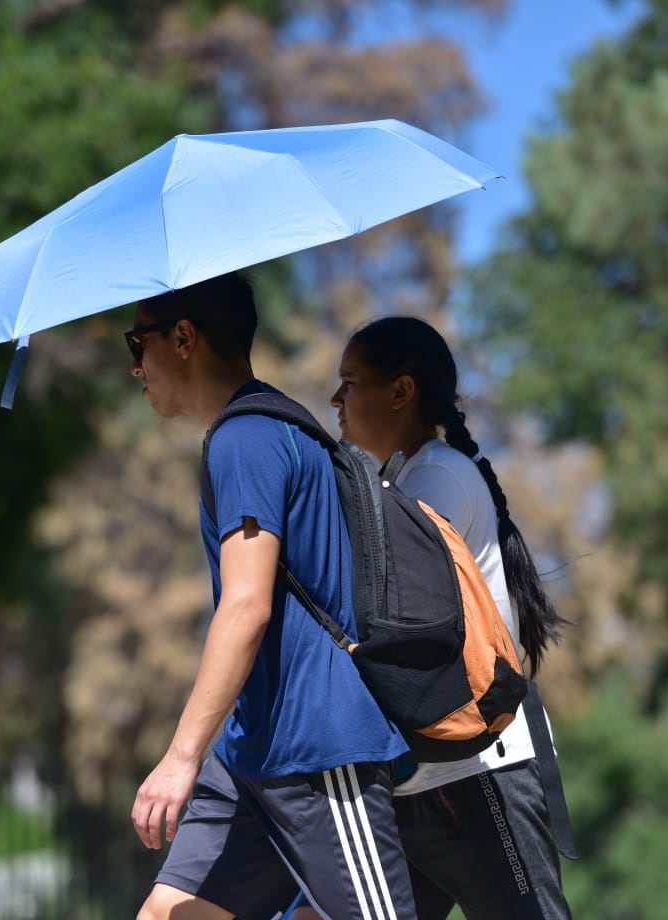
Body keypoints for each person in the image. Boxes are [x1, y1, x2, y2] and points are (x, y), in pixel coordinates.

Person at [127, 272, 416, 920]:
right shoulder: (269, 426)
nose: (133, 366)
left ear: (183, 338)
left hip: (317, 749)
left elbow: (247, 604)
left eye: (136, 343)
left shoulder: (247, 438)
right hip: (252, 748)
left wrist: (179, 757)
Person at [306, 315, 574, 920]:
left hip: (480, 773)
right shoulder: (407, 478)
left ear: (401, 392)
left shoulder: (436, 477)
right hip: (427, 780)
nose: (335, 399)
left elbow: (402, 613)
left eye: (350, 382)